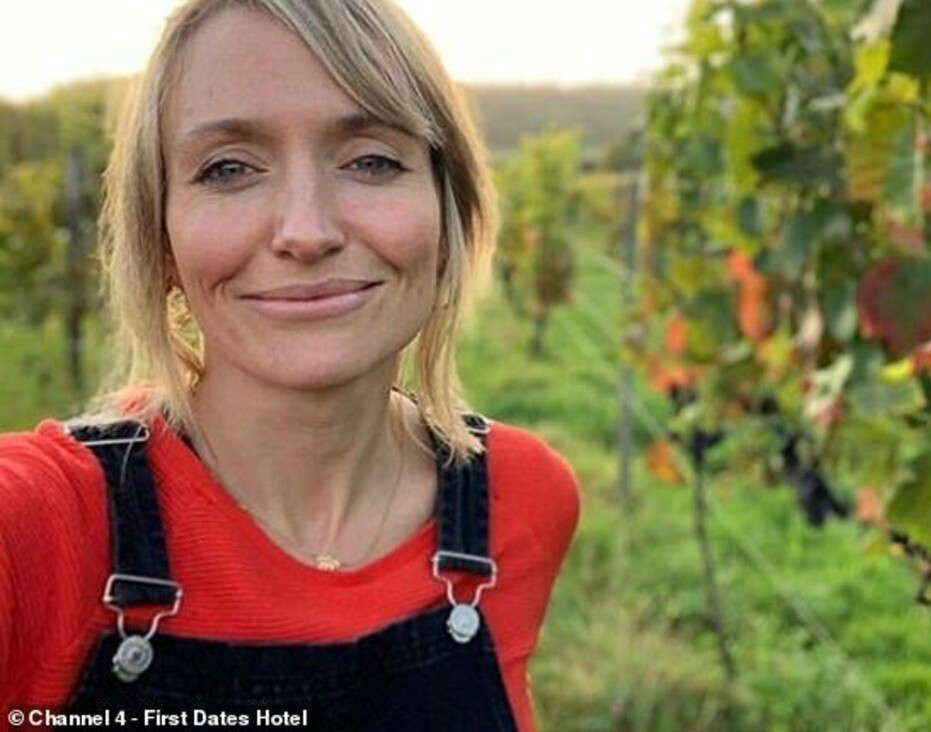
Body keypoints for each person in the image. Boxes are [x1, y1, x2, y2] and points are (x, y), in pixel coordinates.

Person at [0, 0, 580, 729]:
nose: (306, 232)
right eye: (229, 169)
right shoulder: (36, 529)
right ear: (162, 241)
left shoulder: (521, 500)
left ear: (448, 212)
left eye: (371, 160)